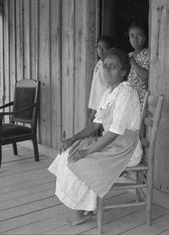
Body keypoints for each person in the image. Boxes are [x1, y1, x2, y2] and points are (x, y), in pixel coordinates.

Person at [48, 48, 142, 226]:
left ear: (123, 71)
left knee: (82, 160)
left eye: (112, 67)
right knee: (68, 153)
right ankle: (82, 206)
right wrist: (72, 139)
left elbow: (115, 132)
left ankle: (79, 212)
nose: (107, 70)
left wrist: (86, 152)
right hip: (112, 142)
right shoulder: (108, 93)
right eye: (105, 66)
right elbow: (95, 125)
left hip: (127, 148)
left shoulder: (126, 93)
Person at [88, 35, 114, 123]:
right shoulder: (99, 63)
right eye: (99, 47)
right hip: (96, 101)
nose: (101, 51)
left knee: (105, 125)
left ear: (111, 50)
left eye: (104, 48)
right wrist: (93, 109)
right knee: (93, 123)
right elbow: (95, 86)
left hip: (105, 102)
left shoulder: (110, 64)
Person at [127, 21, 149, 107]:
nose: (135, 39)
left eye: (139, 35)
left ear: (145, 37)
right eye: (132, 35)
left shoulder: (148, 54)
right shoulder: (128, 55)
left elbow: (146, 75)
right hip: (129, 98)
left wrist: (132, 62)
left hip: (141, 99)